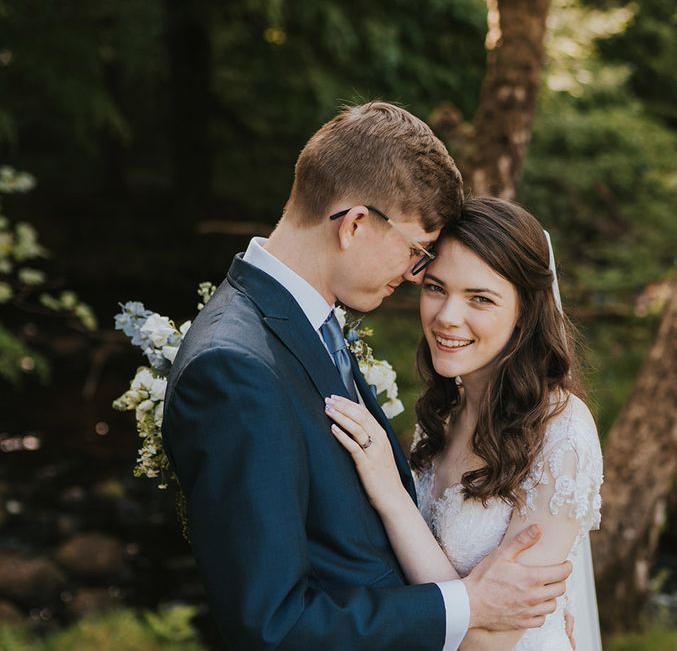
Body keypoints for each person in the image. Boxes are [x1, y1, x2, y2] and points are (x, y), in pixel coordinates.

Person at [162, 103, 574, 650]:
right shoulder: (235, 368)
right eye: (414, 250)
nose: (413, 273)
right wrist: (469, 606)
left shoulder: (306, 323)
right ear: (355, 224)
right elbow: (273, 627)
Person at [325, 197, 604, 650]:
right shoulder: (443, 413)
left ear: (525, 312)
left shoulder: (562, 432)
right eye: (436, 288)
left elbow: (487, 644)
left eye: (480, 298)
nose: (446, 317)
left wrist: (391, 496)